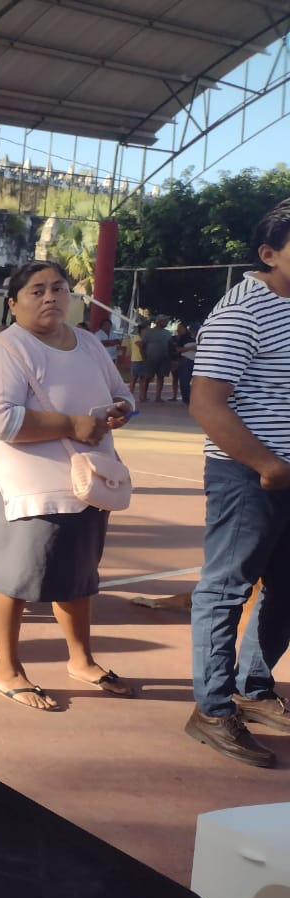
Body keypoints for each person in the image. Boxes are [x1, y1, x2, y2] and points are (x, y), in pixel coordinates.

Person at [0, 260, 136, 711]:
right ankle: (7, 671)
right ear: (14, 302)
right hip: (23, 490)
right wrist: (71, 425)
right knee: (12, 581)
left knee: (78, 578)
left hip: (86, 485)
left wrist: (119, 409)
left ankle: (81, 659)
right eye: (37, 290)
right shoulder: (4, 351)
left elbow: (124, 391)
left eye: (58, 289)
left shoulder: (88, 343)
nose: (49, 298)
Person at [184, 200, 290, 768]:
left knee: (286, 587)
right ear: (269, 255)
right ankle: (212, 709)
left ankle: (253, 686)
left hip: (284, 472)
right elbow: (206, 402)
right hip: (248, 474)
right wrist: (266, 464)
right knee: (226, 590)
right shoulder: (242, 312)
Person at [140, 315, 172, 401]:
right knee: (146, 377)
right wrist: (143, 356)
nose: (166, 323)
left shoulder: (168, 333)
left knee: (161, 377)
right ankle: (143, 396)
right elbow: (142, 345)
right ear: (158, 321)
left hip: (164, 358)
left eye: (166, 321)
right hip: (150, 358)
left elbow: (170, 346)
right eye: (164, 321)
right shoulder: (149, 332)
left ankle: (158, 397)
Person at [174, 322, 197, 404]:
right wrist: (190, 348)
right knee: (184, 381)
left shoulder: (203, 337)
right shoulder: (184, 337)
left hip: (199, 361)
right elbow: (178, 349)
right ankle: (186, 399)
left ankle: (195, 398)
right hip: (186, 360)